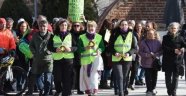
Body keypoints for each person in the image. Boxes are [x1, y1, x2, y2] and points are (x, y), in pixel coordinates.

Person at [48, 19, 76, 96]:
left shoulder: (71, 35)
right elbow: (49, 46)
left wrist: (70, 49)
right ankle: (58, 89)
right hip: (57, 59)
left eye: (65, 25)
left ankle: (66, 93)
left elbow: (76, 47)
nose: (64, 26)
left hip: (68, 60)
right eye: (62, 25)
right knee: (57, 78)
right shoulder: (53, 35)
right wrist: (55, 49)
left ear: (67, 26)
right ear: (58, 26)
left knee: (66, 78)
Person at [110, 20, 137, 96]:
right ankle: (121, 93)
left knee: (125, 76)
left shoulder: (131, 34)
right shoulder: (114, 34)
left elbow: (135, 48)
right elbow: (110, 47)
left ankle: (124, 89)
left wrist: (129, 53)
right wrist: (115, 52)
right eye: (122, 24)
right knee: (119, 76)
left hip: (127, 59)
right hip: (116, 58)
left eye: (125, 24)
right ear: (119, 26)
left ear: (128, 25)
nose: (124, 26)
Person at [26, 19, 53, 96]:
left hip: (48, 60)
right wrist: (35, 53)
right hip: (37, 60)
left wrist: (50, 52)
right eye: (41, 26)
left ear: (47, 26)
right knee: (37, 77)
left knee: (47, 78)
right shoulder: (35, 35)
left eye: (44, 26)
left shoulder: (51, 35)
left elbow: (54, 46)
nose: (42, 28)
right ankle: (42, 89)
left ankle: (46, 93)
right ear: (39, 27)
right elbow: (31, 46)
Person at [78, 21, 105, 95]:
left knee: (94, 75)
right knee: (87, 77)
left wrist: (99, 50)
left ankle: (94, 90)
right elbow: (78, 49)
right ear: (87, 28)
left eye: (92, 26)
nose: (91, 28)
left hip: (96, 59)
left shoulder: (99, 37)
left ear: (95, 28)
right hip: (85, 60)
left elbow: (102, 47)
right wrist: (85, 48)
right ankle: (89, 91)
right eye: (89, 26)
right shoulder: (81, 37)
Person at [162, 22, 186, 96]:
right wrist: (173, 50)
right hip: (167, 60)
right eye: (172, 28)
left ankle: (174, 91)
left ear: (177, 29)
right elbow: (164, 47)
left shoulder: (180, 38)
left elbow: (184, 46)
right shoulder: (165, 37)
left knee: (176, 77)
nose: (173, 29)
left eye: (174, 28)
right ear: (169, 29)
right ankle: (169, 90)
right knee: (168, 77)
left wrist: (183, 48)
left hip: (177, 60)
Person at [139, 29, 162, 96]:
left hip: (155, 63)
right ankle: (149, 90)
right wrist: (147, 55)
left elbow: (162, 51)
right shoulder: (143, 42)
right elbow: (140, 52)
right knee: (148, 77)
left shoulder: (158, 42)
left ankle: (153, 88)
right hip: (146, 63)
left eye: (151, 33)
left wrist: (156, 54)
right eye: (148, 33)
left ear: (154, 34)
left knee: (154, 76)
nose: (150, 35)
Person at [0, 18, 16, 94]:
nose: (3, 26)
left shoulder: (8, 32)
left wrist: (12, 49)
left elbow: (12, 43)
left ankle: (2, 88)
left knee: (4, 72)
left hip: (6, 54)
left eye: (4, 25)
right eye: (2, 24)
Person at [70, 20, 86, 94]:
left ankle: (80, 89)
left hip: (80, 57)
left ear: (80, 26)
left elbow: (88, 30)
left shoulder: (83, 34)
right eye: (74, 26)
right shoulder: (70, 34)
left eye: (78, 25)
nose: (76, 27)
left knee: (80, 74)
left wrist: (85, 21)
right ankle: (72, 89)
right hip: (72, 56)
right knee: (73, 74)